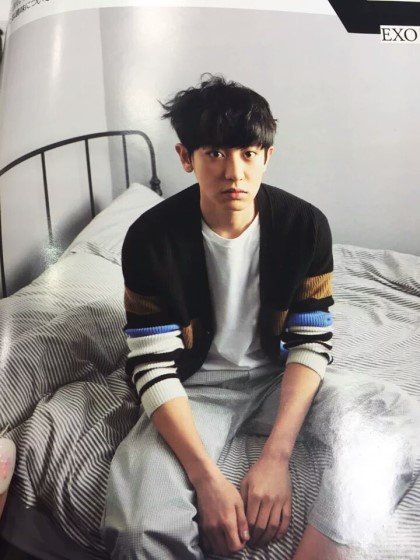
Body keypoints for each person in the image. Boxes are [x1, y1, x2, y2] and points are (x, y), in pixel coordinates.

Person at [100, 74, 394, 559]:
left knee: (390, 417)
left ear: (267, 156)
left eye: (248, 153)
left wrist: (276, 457)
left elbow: (310, 341)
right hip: (195, 389)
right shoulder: (150, 239)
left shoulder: (306, 227)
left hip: (279, 379)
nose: (234, 172)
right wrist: (208, 480)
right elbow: (151, 363)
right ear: (185, 157)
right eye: (215, 153)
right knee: (139, 524)